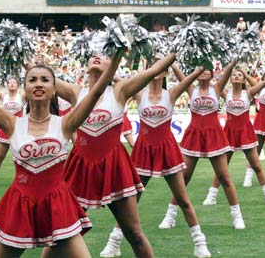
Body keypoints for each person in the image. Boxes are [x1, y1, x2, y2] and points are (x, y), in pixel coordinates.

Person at [0, 48, 121, 258]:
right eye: (32, 80)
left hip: (58, 206)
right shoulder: (12, 123)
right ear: (26, 88)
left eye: (45, 80)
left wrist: (116, 58)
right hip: (20, 204)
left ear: (54, 90)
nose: (39, 84)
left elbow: (96, 91)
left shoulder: (66, 123)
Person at [59, 52, 177, 258]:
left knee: (134, 233)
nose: (96, 57)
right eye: (92, 55)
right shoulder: (75, 92)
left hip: (114, 167)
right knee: (61, 233)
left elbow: (154, 71)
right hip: (80, 167)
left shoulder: (119, 90)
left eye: (104, 55)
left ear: (113, 63)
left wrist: (175, 49)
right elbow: (42, 76)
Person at [100, 64, 211, 258]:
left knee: (183, 199)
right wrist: (106, 66)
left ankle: (199, 243)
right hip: (143, 151)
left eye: (161, 67)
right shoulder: (139, 93)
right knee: (131, 201)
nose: (157, 70)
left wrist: (195, 66)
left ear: (166, 73)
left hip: (167, 150)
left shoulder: (172, 93)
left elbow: (190, 78)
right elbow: (117, 79)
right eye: (152, 67)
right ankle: (113, 243)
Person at [159, 60, 246, 230]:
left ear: (212, 74)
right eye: (200, 69)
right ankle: (170, 216)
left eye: (207, 69)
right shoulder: (192, 89)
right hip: (194, 135)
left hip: (214, 135)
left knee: (225, 178)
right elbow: (176, 70)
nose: (203, 71)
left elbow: (228, 69)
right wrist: (170, 56)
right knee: (183, 178)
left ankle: (237, 216)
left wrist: (235, 57)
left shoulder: (217, 89)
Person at [202, 68, 265, 206]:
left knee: (256, 165)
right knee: (222, 166)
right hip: (229, 131)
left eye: (240, 75)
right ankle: (211, 196)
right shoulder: (225, 93)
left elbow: (263, 83)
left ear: (244, 80)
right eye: (234, 75)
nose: (236, 77)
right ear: (230, 79)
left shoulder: (249, 93)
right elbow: (215, 85)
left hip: (245, 131)